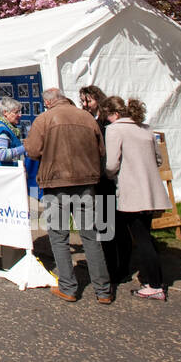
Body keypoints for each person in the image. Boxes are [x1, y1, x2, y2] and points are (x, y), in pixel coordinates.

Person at [24, 87, 113, 304]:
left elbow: (33, 151)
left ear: (48, 103)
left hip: (56, 184)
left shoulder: (44, 119)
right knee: (91, 237)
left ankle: (68, 288)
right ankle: (103, 291)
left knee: (59, 237)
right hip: (86, 183)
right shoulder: (88, 118)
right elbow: (102, 151)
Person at [103, 96, 171, 301]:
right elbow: (159, 159)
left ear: (113, 114)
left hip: (131, 190)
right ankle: (153, 280)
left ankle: (155, 284)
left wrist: (108, 175)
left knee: (141, 240)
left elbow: (112, 164)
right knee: (145, 236)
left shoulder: (115, 130)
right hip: (150, 188)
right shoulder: (145, 128)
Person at [80, 84, 129, 284]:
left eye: (88, 100)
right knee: (106, 224)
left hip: (108, 178)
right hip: (101, 177)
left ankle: (117, 268)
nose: (85, 104)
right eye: (83, 100)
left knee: (112, 224)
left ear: (97, 99)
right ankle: (111, 264)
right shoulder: (94, 120)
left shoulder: (105, 122)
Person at [0, 97, 28, 163]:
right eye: (16, 112)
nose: (20, 115)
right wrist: (25, 147)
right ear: (5, 112)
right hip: (5, 171)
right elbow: (2, 155)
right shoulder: (3, 131)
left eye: (20, 111)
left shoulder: (2, 123)